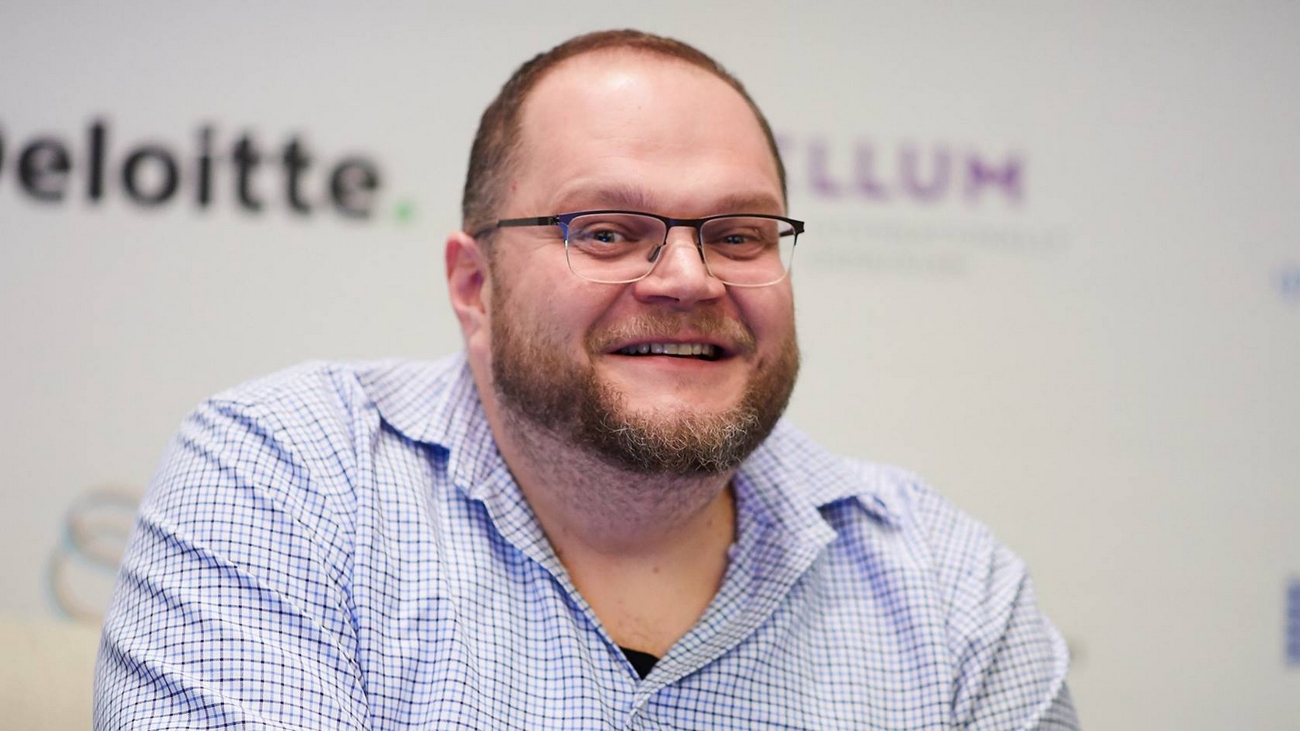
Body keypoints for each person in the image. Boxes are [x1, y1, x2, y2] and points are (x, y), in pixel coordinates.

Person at [95, 30, 1079, 730]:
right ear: (475, 287)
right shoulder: (287, 479)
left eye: (739, 235)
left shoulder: (951, 593)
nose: (689, 278)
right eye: (607, 231)